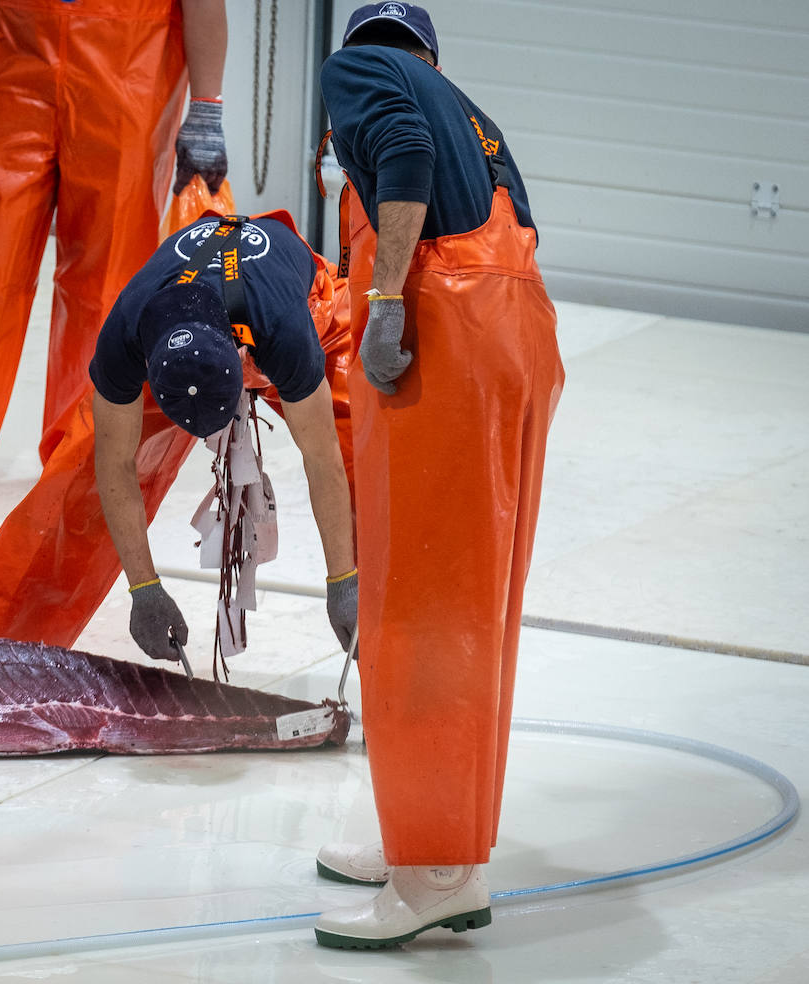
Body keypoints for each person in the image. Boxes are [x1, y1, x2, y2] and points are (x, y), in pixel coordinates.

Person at [313, 3, 565, 949]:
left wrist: (385, 300)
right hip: (515, 342)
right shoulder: (472, 112)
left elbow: (403, 151)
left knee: (421, 603)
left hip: (447, 339)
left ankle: (437, 872)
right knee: (468, 603)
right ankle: (424, 836)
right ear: (433, 52)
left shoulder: (362, 72)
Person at [0, 212, 363, 663]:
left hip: (310, 305)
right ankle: (1, 650)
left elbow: (321, 457)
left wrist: (342, 581)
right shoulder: (125, 333)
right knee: (81, 481)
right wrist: (143, 587)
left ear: (240, 353)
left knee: (365, 461)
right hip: (182, 329)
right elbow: (116, 464)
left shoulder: (283, 327)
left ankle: (389, 639)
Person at [0, 0, 230, 490]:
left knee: (106, 280)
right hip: (13, 55)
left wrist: (207, 107)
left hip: (129, 68)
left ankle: (83, 451)